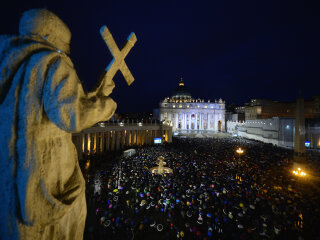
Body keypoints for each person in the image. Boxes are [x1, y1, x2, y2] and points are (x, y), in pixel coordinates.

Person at [0, 9, 117, 239]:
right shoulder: (52, 61)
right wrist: (106, 106)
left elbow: (56, 103)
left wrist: (95, 94)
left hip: (12, 178)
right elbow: (71, 116)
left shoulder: (10, 64)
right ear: (53, 36)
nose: (68, 50)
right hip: (47, 178)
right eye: (67, 44)